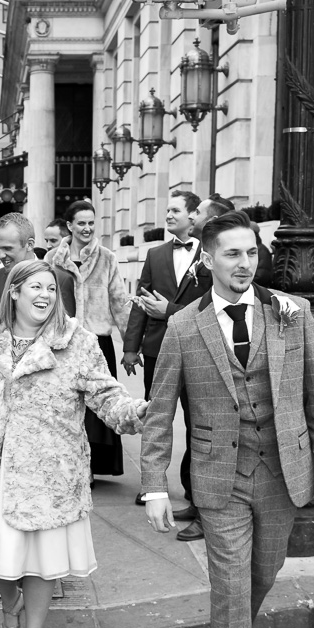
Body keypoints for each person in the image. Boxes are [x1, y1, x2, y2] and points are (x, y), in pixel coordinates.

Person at [141, 210, 314, 628]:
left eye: (251, 252)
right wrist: (155, 486)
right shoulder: (184, 327)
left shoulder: (291, 314)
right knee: (230, 584)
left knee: (262, 574)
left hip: (282, 473)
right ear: (208, 259)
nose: (244, 263)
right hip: (219, 479)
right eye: (232, 253)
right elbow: (159, 414)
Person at [0, 260, 146, 628]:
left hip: (48, 471)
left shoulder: (76, 341)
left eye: (51, 288)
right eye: (36, 287)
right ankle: (12, 604)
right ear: (14, 292)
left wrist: (139, 412)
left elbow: (107, 396)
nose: (45, 295)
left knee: (41, 563)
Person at [122, 190, 212, 521]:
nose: (168, 215)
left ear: (193, 215)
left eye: (175, 210)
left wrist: (169, 310)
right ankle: (152, 485)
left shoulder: (210, 254)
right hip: (158, 350)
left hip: (199, 350)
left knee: (198, 422)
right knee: (156, 418)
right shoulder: (155, 254)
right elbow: (141, 301)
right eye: (167, 210)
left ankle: (195, 487)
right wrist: (130, 346)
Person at [46, 199, 132, 480]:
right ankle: (68, 464)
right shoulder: (51, 259)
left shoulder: (107, 257)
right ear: (69, 226)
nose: (87, 228)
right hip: (62, 342)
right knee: (66, 403)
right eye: (81, 223)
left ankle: (91, 467)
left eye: (91, 223)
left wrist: (131, 345)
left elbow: (119, 301)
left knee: (98, 406)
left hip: (98, 342)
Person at [0, 213, 76, 336]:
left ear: (29, 244)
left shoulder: (61, 280)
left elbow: (66, 334)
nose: (0, 255)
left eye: (7, 248)